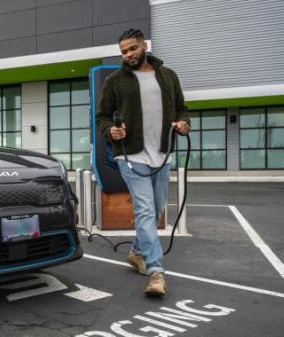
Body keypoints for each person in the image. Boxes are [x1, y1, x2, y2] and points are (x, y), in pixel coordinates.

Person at [96, 28, 191, 296]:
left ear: (144, 46)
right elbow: (102, 116)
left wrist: (184, 124)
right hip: (130, 155)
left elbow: (182, 107)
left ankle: (137, 251)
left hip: (161, 154)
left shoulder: (168, 76)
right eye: (123, 51)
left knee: (157, 207)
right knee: (146, 211)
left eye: (132, 49)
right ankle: (156, 272)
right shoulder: (115, 81)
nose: (128, 55)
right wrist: (110, 131)